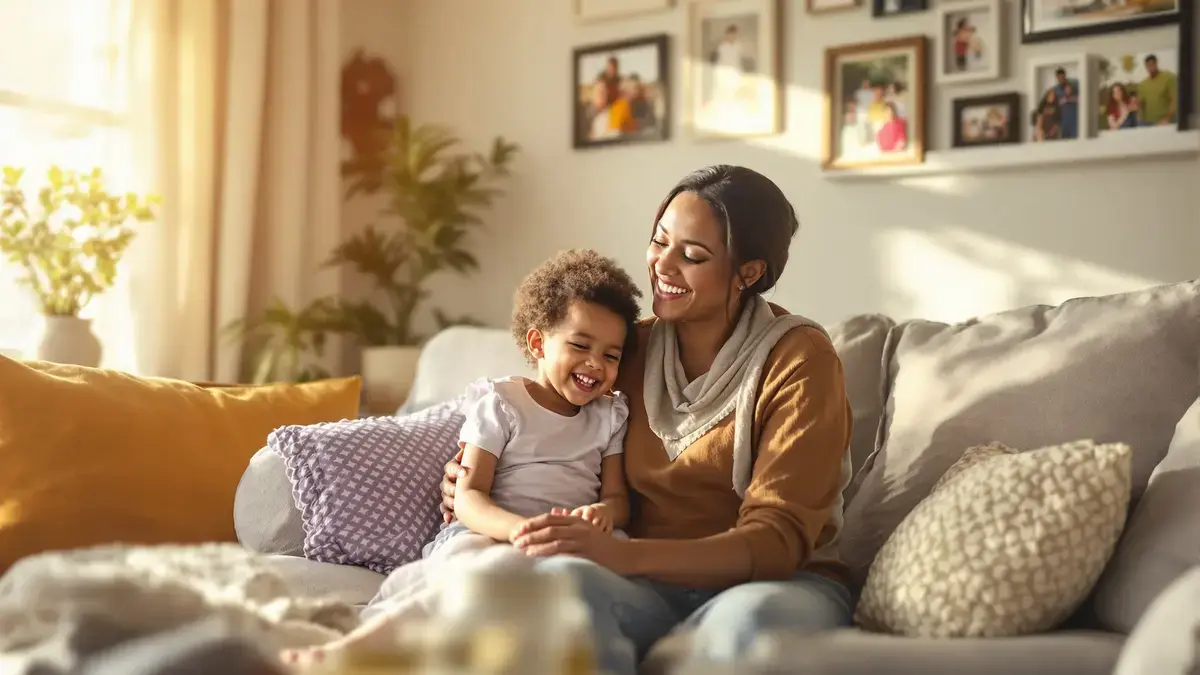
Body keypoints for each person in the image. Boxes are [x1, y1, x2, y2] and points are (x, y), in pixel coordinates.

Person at [441, 165, 855, 675]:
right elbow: (544, 415)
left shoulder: (799, 359)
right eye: (659, 242)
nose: (663, 265)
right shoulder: (622, 351)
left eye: (693, 255)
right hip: (646, 585)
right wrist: (475, 474)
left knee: (744, 629)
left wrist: (624, 558)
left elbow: (777, 541)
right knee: (558, 596)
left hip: (777, 585)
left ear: (748, 272)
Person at [285, 249, 644, 665]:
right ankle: (347, 652)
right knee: (464, 575)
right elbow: (469, 495)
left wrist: (603, 513)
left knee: (583, 589)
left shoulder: (609, 415)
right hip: (492, 531)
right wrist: (518, 530)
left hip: (566, 543)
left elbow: (619, 499)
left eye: (611, 355)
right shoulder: (502, 402)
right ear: (537, 342)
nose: (594, 364)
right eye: (580, 345)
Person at [1135, 54, 1177, 126]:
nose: (1150, 68)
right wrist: (1136, 106)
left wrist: (1167, 117)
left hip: (1165, 120)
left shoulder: (1167, 77)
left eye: (1152, 64)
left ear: (1156, 63)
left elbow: (1175, 99)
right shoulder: (1143, 84)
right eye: (1148, 66)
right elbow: (1140, 103)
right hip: (1147, 122)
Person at [1052, 68, 1079, 139]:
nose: (1060, 79)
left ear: (1065, 76)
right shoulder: (1056, 89)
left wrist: (1067, 99)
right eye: (1059, 78)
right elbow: (1054, 104)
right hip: (1063, 122)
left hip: (1074, 121)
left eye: (1062, 77)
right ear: (1057, 78)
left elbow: (1082, 99)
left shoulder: (1074, 84)